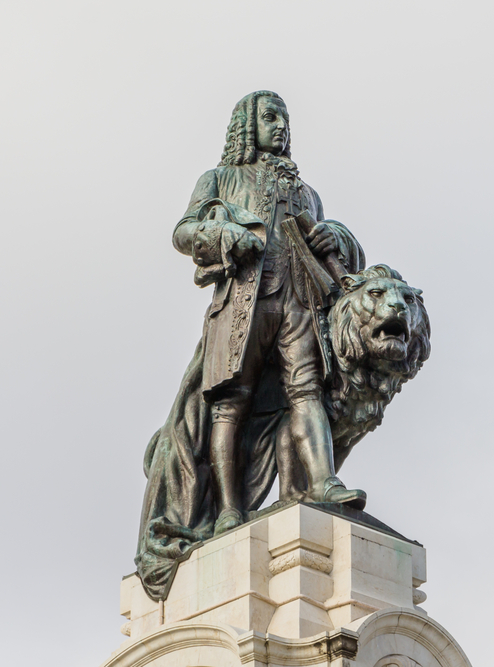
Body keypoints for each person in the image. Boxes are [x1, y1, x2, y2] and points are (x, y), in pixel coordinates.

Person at [134, 91, 366, 598]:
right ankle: (231, 510)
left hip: (298, 300)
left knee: (305, 392)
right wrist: (224, 237)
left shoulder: (306, 191)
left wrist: (336, 239)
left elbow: (334, 242)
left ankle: (323, 483)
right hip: (242, 302)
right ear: (246, 124)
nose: (280, 125)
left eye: (285, 118)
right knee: (228, 406)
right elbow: (184, 230)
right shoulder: (219, 179)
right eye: (269, 116)